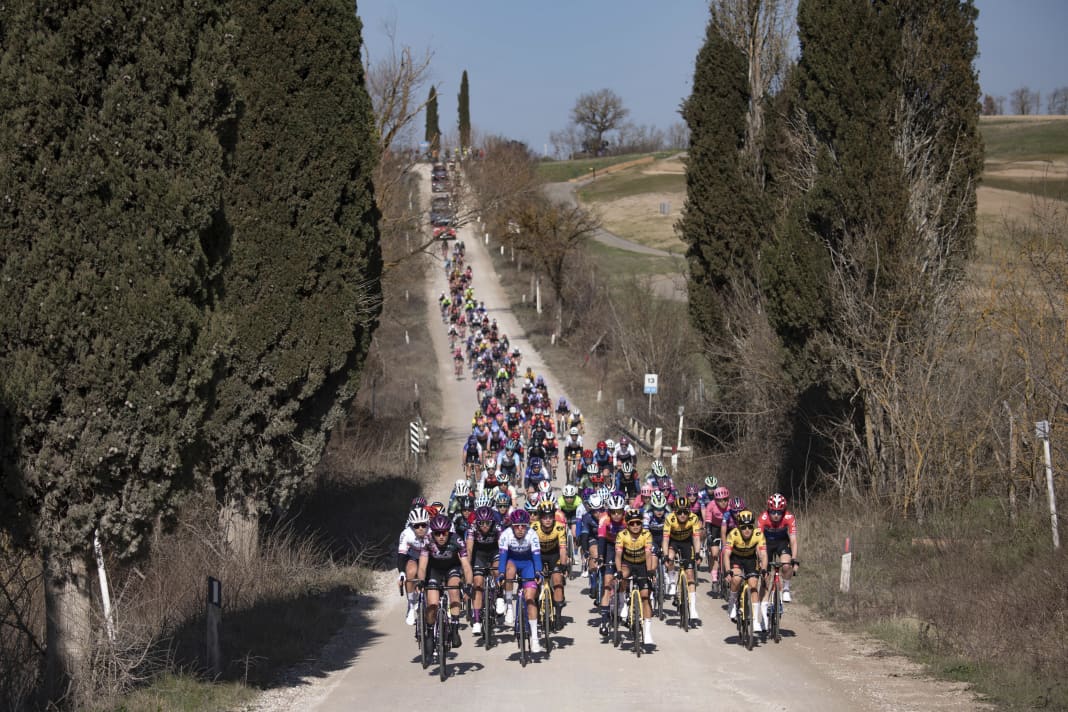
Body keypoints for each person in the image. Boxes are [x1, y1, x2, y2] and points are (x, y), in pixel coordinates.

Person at [416, 514, 474, 651]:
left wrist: (469, 585)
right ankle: (430, 632)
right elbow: (422, 566)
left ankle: (454, 629)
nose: (441, 536)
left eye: (444, 533)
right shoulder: (427, 541)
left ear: (449, 531)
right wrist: (421, 582)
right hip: (434, 570)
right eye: (437, 533)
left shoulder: (457, 540)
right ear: (433, 533)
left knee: (454, 590)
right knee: (432, 605)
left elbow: (466, 566)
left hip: (452, 569)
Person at [498, 509, 545, 653]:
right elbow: (503, 558)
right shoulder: (505, 535)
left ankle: (535, 639)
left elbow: (536, 557)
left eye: (523, 526)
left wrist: (538, 572)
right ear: (512, 525)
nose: (520, 529)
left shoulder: (532, 535)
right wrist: (501, 573)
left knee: (530, 598)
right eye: (517, 526)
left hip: (528, 564)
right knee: (509, 571)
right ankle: (509, 607)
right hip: (512, 561)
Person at [615, 507, 657, 646]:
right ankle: (622, 603)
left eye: (638, 523)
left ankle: (647, 632)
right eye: (632, 523)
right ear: (627, 524)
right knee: (623, 577)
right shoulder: (622, 535)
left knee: (645, 596)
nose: (635, 526)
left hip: (642, 565)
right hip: (627, 563)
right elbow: (618, 556)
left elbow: (648, 554)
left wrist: (650, 570)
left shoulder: (647, 534)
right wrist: (619, 571)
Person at [722, 510, 768, 631]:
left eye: (749, 526)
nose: (747, 530)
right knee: (736, 579)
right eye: (743, 527)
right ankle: (732, 600)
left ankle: (755, 620)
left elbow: (763, 554)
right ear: (738, 526)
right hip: (736, 559)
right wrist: (727, 571)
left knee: (753, 584)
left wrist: (764, 569)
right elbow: (726, 554)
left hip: (750, 559)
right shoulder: (733, 534)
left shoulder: (758, 534)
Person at [661, 496, 703, 623]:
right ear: (675, 512)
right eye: (680, 512)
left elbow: (696, 538)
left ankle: (692, 607)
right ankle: (673, 582)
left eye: (686, 511)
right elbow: (666, 540)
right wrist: (665, 555)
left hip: (687, 542)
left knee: (690, 574)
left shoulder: (694, 519)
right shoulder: (670, 519)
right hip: (673, 541)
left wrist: (697, 553)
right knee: (671, 557)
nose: (683, 515)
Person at [466, 506, 502, 635]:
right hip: (479, 553)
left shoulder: (497, 527)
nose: (485, 526)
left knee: (497, 570)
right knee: (478, 583)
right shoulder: (473, 528)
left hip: (494, 551)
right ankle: (476, 620)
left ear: (492, 522)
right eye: (482, 523)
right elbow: (469, 549)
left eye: (488, 523)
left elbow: (502, 547)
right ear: (477, 522)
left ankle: (499, 596)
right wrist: (468, 566)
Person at [533, 500, 569, 629]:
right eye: (544, 517)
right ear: (540, 517)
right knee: (535, 582)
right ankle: (536, 610)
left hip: (554, 555)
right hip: (539, 555)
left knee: (557, 580)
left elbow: (563, 548)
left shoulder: (559, 527)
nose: (548, 520)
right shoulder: (534, 527)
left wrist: (563, 565)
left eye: (550, 517)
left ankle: (558, 617)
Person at [595, 494, 628, 635]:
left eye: (619, 511)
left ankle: (622, 600)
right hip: (609, 546)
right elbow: (601, 540)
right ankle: (604, 621)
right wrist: (601, 558)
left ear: (623, 511)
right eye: (613, 512)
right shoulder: (604, 519)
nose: (616, 515)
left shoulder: (627, 520)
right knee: (607, 583)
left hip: (625, 546)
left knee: (624, 575)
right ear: (609, 512)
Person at [758, 493, 799, 603]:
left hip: (782, 542)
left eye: (779, 512)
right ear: (768, 510)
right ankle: (763, 601)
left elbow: (793, 540)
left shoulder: (789, 517)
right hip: (766, 543)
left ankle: (786, 588)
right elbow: (758, 541)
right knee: (765, 574)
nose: (776, 515)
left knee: (786, 565)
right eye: (773, 512)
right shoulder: (763, 518)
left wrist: (794, 559)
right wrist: (760, 558)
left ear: (784, 511)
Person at [398, 507, 430, 626]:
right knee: (411, 572)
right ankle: (411, 605)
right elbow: (401, 555)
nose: (421, 528)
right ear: (412, 526)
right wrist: (401, 573)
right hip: (413, 557)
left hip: (429, 557)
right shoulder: (406, 534)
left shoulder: (432, 531)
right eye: (417, 526)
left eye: (423, 525)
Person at [702, 486, 732, 584]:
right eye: (720, 500)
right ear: (715, 500)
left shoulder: (730, 506)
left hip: (727, 528)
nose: (723, 502)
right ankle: (714, 577)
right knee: (714, 553)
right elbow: (708, 523)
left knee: (729, 551)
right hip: (714, 528)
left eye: (725, 499)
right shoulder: (711, 505)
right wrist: (709, 535)